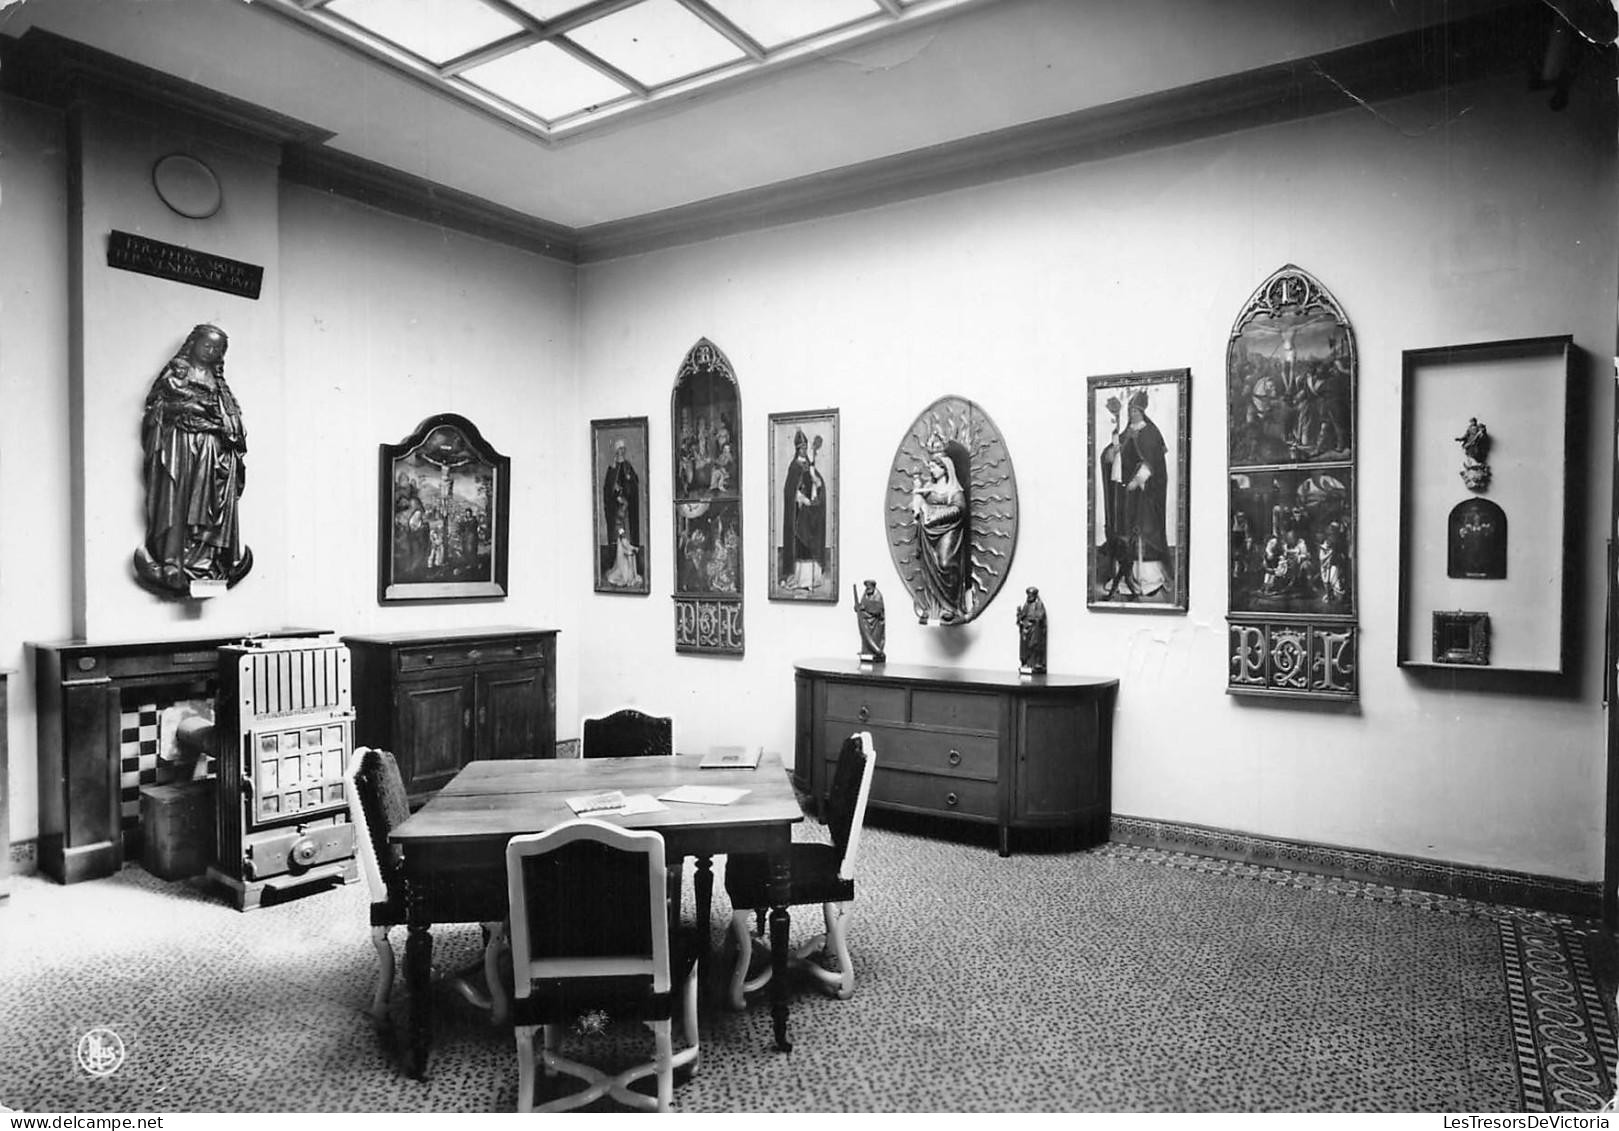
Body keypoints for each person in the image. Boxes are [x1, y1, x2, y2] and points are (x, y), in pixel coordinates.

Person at [133, 323, 253, 594]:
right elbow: (158, 408)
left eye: (217, 349)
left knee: (210, 506)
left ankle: (208, 564)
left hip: (213, 454)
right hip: (181, 448)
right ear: (193, 344)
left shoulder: (220, 385)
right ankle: (172, 562)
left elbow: (232, 421)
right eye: (206, 345)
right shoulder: (177, 373)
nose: (210, 351)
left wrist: (226, 429)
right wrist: (188, 410)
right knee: (179, 499)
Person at [1119, 391, 1170, 597]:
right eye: (1130, 410)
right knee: (1129, 532)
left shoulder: (1151, 432)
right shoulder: (1127, 432)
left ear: (1142, 411)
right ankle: (1129, 578)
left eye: (1135, 410)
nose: (1132, 414)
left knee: (1146, 530)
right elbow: (1117, 455)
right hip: (1130, 493)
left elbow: (1152, 461)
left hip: (1147, 493)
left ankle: (1149, 579)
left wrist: (1138, 480)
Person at [910, 447, 969, 622]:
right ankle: (933, 605)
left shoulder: (954, 489)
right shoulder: (928, 487)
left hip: (949, 530)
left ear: (945, 468)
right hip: (929, 533)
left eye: (935, 466)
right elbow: (918, 504)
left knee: (945, 563)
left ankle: (951, 606)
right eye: (930, 467)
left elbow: (959, 509)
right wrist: (920, 506)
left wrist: (935, 516)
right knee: (930, 566)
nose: (931, 470)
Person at [782, 430, 826, 591]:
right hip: (799, 513)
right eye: (801, 448)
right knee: (802, 544)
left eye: (805, 447)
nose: (804, 450)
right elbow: (791, 490)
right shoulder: (794, 467)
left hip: (810, 512)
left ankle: (812, 580)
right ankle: (801, 580)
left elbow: (817, 483)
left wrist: (816, 485)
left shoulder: (809, 464)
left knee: (811, 543)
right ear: (797, 449)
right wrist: (803, 499)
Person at [601, 438, 641, 577]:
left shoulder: (628, 467)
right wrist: (615, 495)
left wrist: (628, 488)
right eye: (619, 449)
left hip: (627, 510)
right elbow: (608, 490)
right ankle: (622, 571)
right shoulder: (612, 469)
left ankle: (631, 573)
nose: (622, 452)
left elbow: (634, 484)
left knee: (628, 537)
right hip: (617, 511)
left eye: (623, 449)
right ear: (616, 451)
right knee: (620, 537)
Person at [1016, 586, 1047, 673]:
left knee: (1034, 644)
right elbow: (1022, 616)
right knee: (1024, 646)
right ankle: (1025, 662)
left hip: (1034, 628)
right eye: (1028, 595)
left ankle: (1036, 663)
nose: (1029, 597)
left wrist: (1031, 620)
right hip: (1026, 629)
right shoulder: (1026, 605)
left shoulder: (1039, 605)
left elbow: (1040, 617)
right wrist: (1019, 616)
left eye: (1031, 595)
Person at [854, 579, 886, 661]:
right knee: (865, 638)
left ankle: (877, 652)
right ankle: (866, 651)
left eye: (869, 587)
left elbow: (877, 609)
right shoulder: (865, 594)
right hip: (866, 623)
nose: (867, 589)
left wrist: (864, 607)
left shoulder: (878, 595)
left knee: (875, 638)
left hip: (876, 623)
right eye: (866, 587)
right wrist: (858, 607)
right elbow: (862, 605)